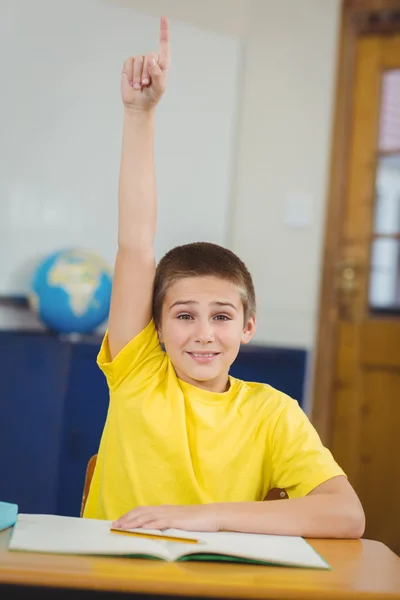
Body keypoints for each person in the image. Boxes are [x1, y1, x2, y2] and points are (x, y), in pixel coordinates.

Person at [83, 16, 365, 539]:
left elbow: (346, 515)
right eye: (184, 315)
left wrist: (206, 516)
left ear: (248, 327)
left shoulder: (273, 413)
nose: (204, 332)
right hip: (115, 575)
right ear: (157, 329)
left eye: (221, 316)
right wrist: (138, 114)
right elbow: (135, 243)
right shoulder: (138, 372)